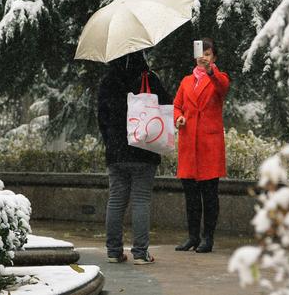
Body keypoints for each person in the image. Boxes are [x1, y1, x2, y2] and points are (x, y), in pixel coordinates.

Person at [97, 50, 170, 265]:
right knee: (141, 200)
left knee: (117, 199)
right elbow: (166, 106)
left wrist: (111, 140)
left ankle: (113, 251)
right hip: (143, 149)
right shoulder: (149, 78)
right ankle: (140, 253)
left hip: (116, 150)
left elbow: (102, 116)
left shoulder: (108, 80)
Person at [173, 37, 230, 253]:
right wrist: (178, 118)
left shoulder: (218, 78)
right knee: (191, 195)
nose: (203, 58)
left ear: (214, 57)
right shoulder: (186, 81)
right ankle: (193, 236)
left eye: (208, 54)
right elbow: (177, 106)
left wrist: (211, 71)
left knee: (209, 194)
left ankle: (208, 237)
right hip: (189, 143)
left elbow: (223, 87)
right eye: (201, 53)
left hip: (209, 144)